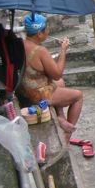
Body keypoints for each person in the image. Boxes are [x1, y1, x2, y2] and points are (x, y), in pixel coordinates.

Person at [17, 13, 83, 141]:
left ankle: (60, 118)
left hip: (23, 89)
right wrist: (63, 50)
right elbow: (57, 74)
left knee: (61, 83)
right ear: (39, 34)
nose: (48, 31)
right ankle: (67, 137)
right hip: (37, 95)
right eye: (46, 29)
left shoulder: (20, 44)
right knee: (78, 96)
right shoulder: (40, 51)